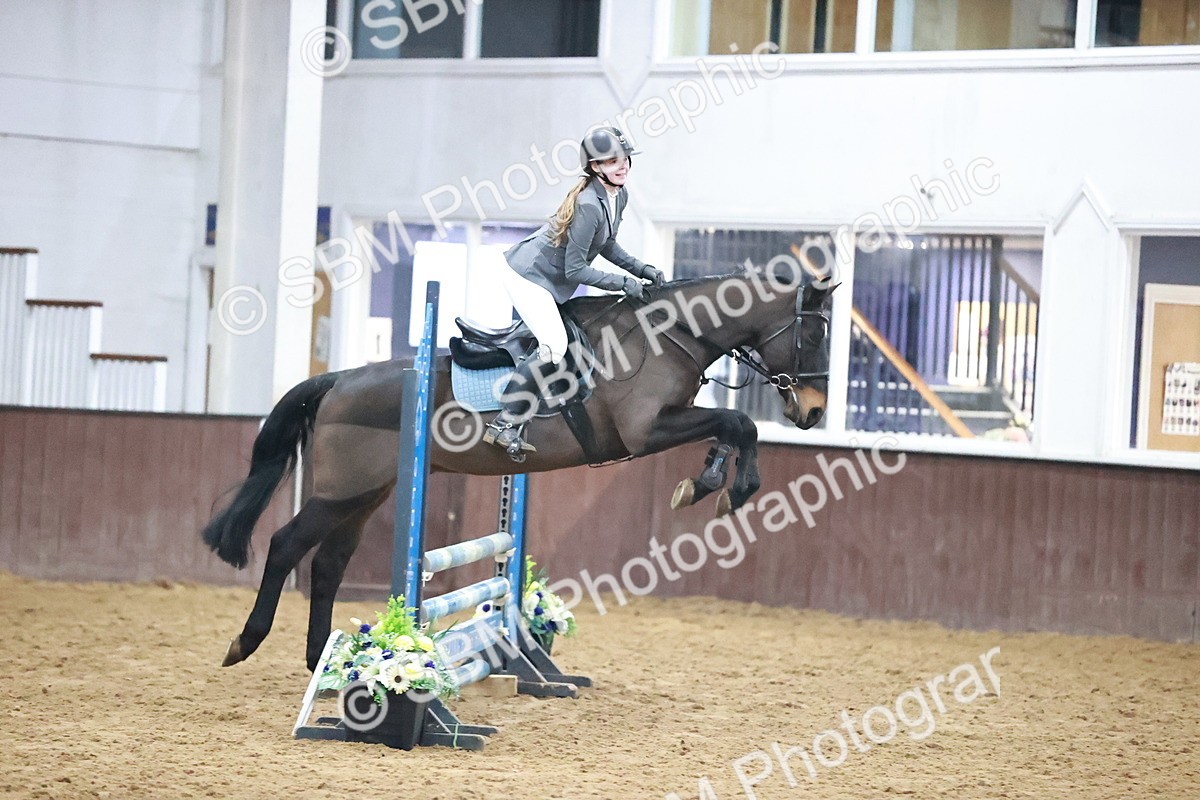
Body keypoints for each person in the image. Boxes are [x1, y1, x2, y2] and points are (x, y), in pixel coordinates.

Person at [483, 126, 665, 460]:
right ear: (596, 167)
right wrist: (625, 284)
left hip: (549, 277)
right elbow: (575, 270)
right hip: (527, 275)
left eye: (624, 158)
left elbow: (606, 244)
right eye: (612, 161)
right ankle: (505, 423)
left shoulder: (616, 195)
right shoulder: (588, 205)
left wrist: (641, 269)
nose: (621, 165)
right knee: (554, 346)